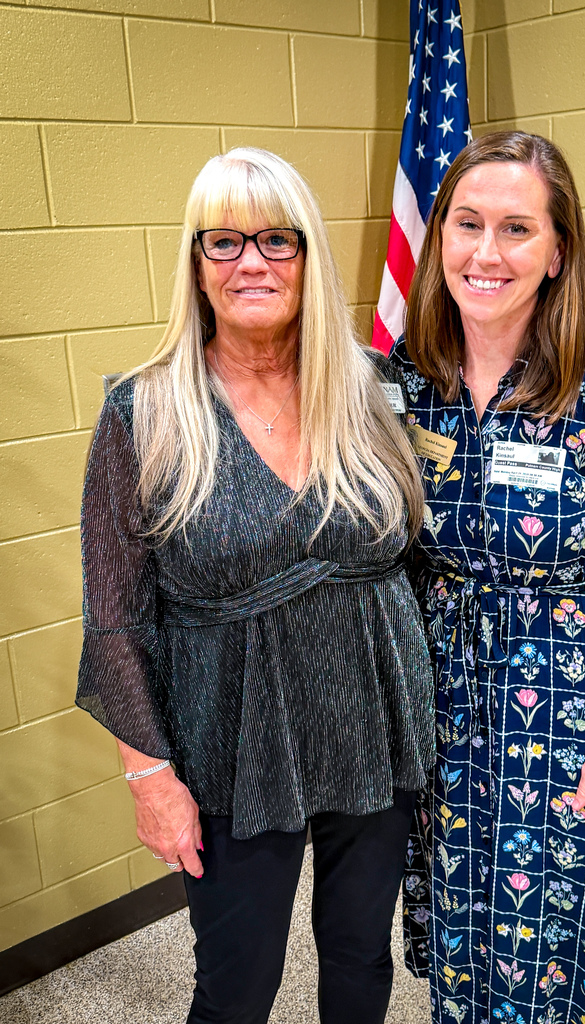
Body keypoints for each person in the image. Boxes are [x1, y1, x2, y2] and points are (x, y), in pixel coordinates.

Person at [76, 147, 435, 1024]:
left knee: (360, 956)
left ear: (309, 255)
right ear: (196, 267)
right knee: (237, 985)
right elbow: (116, 620)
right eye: (225, 241)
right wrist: (150, 779)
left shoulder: (376, 389)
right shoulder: (145, 411)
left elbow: (418, 559)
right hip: (233, 740)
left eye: (278, 239)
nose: (253, 263)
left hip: (375, 720)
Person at [390, 132, 585, 1024]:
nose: (486, 254)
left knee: (579, 931)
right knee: (471, 928)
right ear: (439, 236)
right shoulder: (411, 377)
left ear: (559, 250)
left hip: (570, 701)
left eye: (517, 229)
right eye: (467, 224)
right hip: (445, 700)